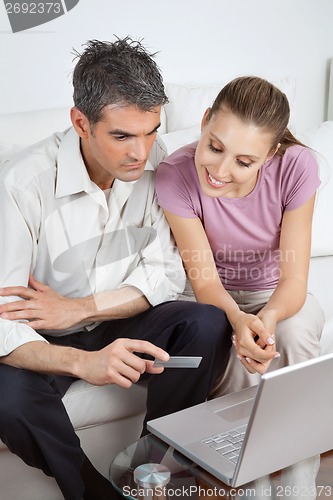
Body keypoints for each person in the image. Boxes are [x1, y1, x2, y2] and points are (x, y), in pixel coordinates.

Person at [0, 38, 232, 500]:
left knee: (206, 322)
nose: (140, 152)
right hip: (40, 336)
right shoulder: (22, 183)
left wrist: (80, 308)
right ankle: (89, 491)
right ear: (81, 122)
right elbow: (3, 320)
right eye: (122, 136)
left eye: (150, 131)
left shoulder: (161, 161)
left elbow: (165, 273)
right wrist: (83, 362)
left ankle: (161, 469)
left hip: (112, 315)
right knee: (8, 399)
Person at [155, 76, 325, 499]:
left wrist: (265, 319)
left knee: (295, 335)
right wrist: (238, 320)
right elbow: (204, 279)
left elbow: (294, 280)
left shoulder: (298, 165)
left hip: (279, 298)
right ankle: (249, 486)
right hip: (213, 300)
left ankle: (299, 486)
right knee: (231, 349)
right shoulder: (174, 175)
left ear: (271, 155)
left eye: (244, 162)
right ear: (205, 120)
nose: (220, 170)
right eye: (214, 146)